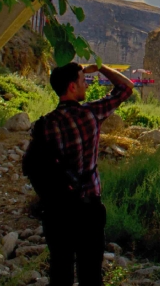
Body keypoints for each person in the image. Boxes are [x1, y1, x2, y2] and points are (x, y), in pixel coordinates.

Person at [37, 62, 133, 286]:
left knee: (60, 271)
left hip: (56, 210)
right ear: (72, 87)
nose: (86, 87)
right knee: (90, 273)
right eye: (83, 81)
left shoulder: (45, 124)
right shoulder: (89, 114)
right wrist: (100, 68)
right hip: (88, 207)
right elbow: (126, 87)